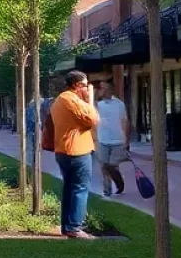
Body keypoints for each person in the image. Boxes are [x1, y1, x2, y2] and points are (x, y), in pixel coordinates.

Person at [50, 70, 100, 239]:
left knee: (70, 189)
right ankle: (74, 227)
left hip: (65, 150)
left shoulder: (60, 100)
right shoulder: (70, 99)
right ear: (77, 85)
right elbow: (92, 119)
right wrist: (90, 100)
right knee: (80, 188)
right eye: (86, 85)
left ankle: (67, 226)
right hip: (76, 151)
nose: (88, 88)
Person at [95, 80, 128, 197]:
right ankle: (107, 189)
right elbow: (90, 108)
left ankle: (119, 183)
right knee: (104, 165)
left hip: (118, 140)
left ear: (111, 89)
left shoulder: (119, 104)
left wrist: (126, 139)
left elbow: (124, 121)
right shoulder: (98, 105)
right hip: (102, 139)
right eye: (102, 88)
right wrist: (96, 95)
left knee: (113, 165)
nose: (103, 90)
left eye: (106, 88)